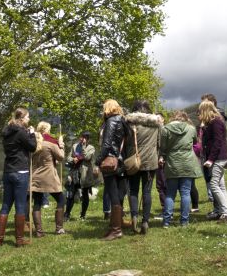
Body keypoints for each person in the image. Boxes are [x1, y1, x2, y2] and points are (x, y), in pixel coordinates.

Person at [0, 107, 37, 247]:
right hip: (20, 172)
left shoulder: (6, 132)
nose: (29, 119)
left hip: (8, 172)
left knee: (5, 205)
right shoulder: (20, 132)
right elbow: (32, 147)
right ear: (22, 118)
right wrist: (31, 134)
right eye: (28, 117)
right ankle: (19, 239)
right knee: (20, 205)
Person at [125, 99, 163, 234]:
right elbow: (159, 144)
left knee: (133, 191)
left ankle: (134, 216)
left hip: (133, 161)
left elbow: (124, 143)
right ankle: (145, 221)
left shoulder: (128, 123)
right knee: (146, 192)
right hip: (150, 162)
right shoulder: (156, 124)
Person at [159, 111, 202, 227]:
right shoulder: (191, 129)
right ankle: (184, 221)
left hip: (172, 163)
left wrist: (163, 155)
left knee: (170, 194)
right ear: (185, 118)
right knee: (185, 193)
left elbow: (162, 147)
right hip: (188, 163)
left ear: (173, 118)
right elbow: (194, 143)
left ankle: (166, 221)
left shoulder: (165, 129)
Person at [94, 99, 129, 241]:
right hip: (121, 161)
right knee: (119, 194)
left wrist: (97, 162)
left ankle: (116, 230)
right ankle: (117, 224)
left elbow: (107, 144)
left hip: (110, 161)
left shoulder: (111, 121)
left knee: (113, 194)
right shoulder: (124, 121)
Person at [30, 122, 66, 236]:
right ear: (46, 130)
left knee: (37, 203)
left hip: (36, 176)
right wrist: (61, 146)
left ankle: (39, 232)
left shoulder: (33, 144)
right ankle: (59, 228)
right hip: (49, 176)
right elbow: (60, 157)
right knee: (61, 200)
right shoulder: (50, 143)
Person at [199, 100, 227, 222]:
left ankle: (226, 213)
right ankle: (222, 211)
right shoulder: (212, 123)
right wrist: (203, 129)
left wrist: (211, 159)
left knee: (213, 185)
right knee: (221, 185)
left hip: (218, 158)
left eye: (201, 111)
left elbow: (218, 142)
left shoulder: (216, 122)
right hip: (218, 157)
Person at [64, 132, 97, 221]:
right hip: (75, 173)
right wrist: (72, 159)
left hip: (85, 174)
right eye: (82, 137)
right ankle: (67, 214)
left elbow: (87, 157)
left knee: (85, 194)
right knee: (71, 194)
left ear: (88, 139)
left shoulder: (91, 148)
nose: (83, 139)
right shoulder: (75, 146)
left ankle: (83, 214)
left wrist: (83, 146)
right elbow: (68, 157)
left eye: (85, 138)